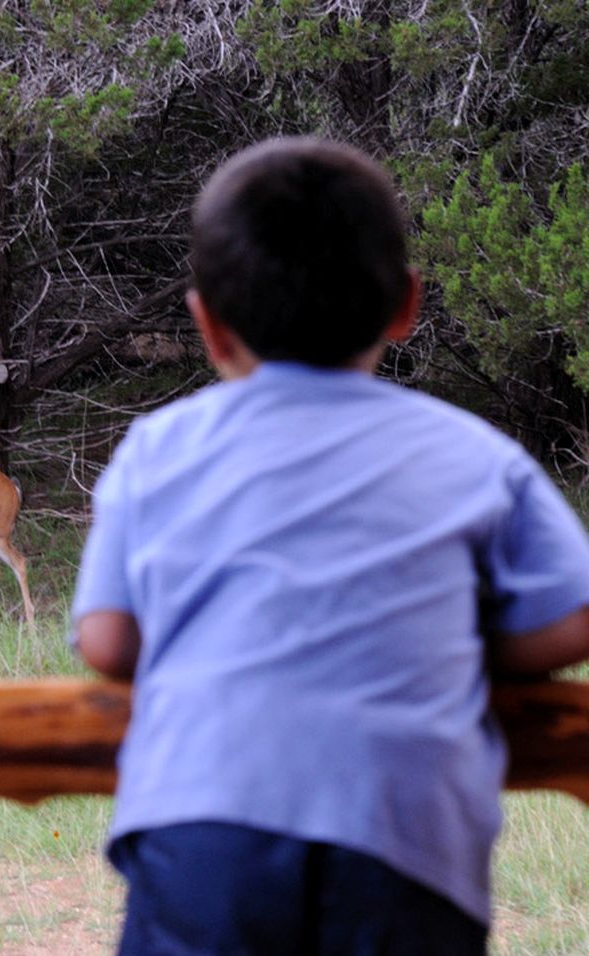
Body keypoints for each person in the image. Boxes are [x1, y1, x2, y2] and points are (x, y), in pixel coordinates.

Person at [71, 137, 589, 954]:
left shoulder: (159, 448)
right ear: (406, 305)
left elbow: (105, 640)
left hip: (203, 827)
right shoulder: (475, 453)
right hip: (406, 838)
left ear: (206, 323)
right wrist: (448, 640)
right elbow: (576, 616)